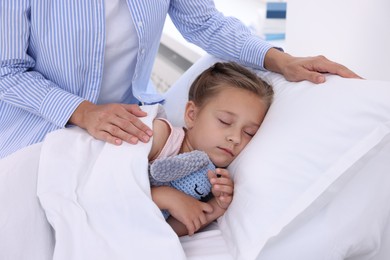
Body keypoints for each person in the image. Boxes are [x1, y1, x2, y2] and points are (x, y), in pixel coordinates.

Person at [0, 0, 360, 159]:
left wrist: (281, 61)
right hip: (35, 124)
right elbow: (6, 70)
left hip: (127, 125)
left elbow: (205, 22)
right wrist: (83, 112)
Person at [147, 62, 274, 236]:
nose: (236, 138)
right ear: (192, 114)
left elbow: (167, 231)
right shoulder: (160, 136)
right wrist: (164, 196)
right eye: (225, 121)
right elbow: (109, 183)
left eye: (249, 133)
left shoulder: (211, 180)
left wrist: (217, 206)